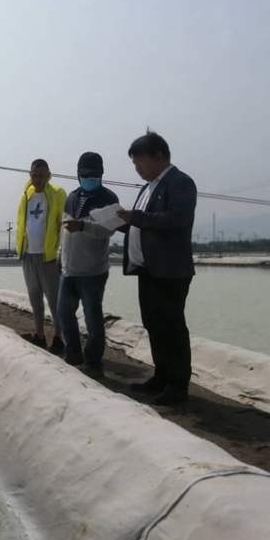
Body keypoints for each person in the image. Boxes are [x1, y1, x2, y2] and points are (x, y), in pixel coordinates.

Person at [117, 131, 197, 405]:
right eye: (134, 164)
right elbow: (142, 223)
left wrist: (136, 217)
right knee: (153, 324)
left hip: (170, 269)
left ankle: (177, 385)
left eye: (140, 162)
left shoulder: (180, 182)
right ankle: (161, 376)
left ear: (159, 156)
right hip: (148, 268)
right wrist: (120, 221)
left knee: (172, 326)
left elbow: (176, 218)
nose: (137, 169)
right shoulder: (148, 187)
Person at [57, 152, 120, 377]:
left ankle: (93, 361)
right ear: (78, 174)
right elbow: (64, 230)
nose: (89, 179)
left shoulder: (109, 198)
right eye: (85, 175)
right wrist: (60, 256)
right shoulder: (72, 197)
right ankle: (73, 353)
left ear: (101, 174)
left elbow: (108, 230)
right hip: (68, 270)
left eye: (93, 175)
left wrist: (83, 226)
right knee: (64, 312)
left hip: (93, 272)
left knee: (93, 318)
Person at [16, 159, 67, 354]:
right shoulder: (26, 195)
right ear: (30, 175)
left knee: (54, 300)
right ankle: (39, 335)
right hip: (28, 255)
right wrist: (21, 249)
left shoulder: (57, 194)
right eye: (34, 175)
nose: (37, 180)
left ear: (48, 175)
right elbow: (21, 222)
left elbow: (63, 225)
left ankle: (59, 337)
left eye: (41, 176)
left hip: (49, 257)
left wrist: (61, 254)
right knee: (35, 298)